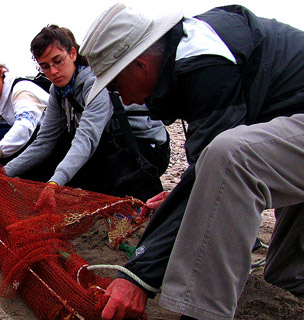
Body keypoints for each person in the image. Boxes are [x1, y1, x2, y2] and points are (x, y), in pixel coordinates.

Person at [80, 3, 304, 320]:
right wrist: (185, 192)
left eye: (116, 87)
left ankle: (203, 314)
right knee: (287, 278)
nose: (124, 100)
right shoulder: (192, 52)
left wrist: (137, 276)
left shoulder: (203, 61)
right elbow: (205, 171)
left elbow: (220, 164)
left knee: (232, 157)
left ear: (141, 66)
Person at [3, 25, 169, 200]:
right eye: (45, 66)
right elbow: (44, 141)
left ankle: (128, 199)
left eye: (58, 61)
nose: (53, 71)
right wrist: (4, 170)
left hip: (146, 150)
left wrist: (55, 183)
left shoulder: (94, 83)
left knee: (92, 146)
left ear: (73, 54)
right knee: (61, 144)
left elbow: (87, 138)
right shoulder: (58, 90)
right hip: (113, 146)